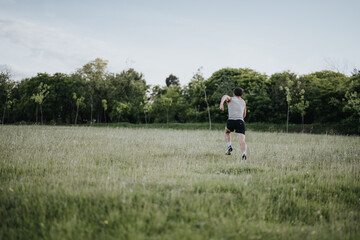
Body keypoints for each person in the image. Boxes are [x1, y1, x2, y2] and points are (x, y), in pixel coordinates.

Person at [219, 87, 247, 161]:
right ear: (241, 94)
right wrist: (240, 120)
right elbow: (244, 114)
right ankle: (244, 154)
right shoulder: (243, 102)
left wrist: (221, 103)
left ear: (234, 93)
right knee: (242, 141)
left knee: (227, 132)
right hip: (240, 121)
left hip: (231, 121)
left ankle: (229, 146)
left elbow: (225, 96)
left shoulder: (231, 99)